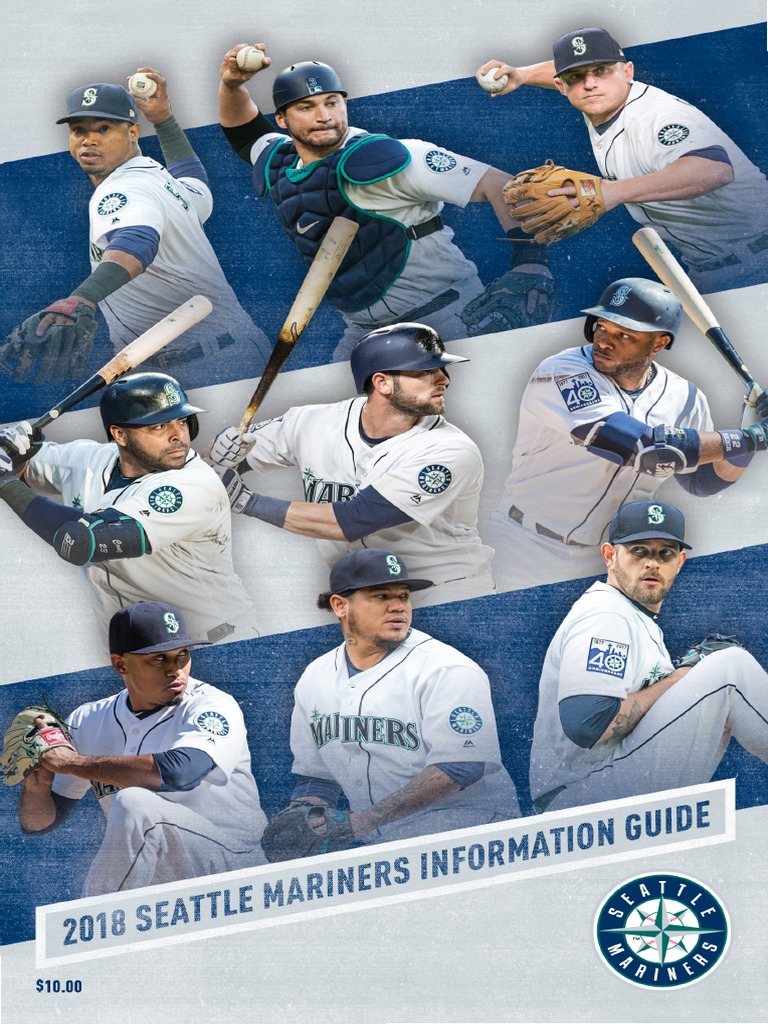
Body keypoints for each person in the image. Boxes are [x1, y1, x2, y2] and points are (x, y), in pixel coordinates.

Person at [217, 44, 556, 359]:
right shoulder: (280, 160)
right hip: (362, 332)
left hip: (445, 315)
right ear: (282, 120)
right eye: (307, 107)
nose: (324, 116)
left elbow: (499, 184)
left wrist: (530, 260)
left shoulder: (391, 156)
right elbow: (244, 131)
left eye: (332, 102)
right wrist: (232, 87)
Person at [483, 277, 764, 591]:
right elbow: (645, 450)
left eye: (624, 335)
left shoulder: (686, 397)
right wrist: (756, 437)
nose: (604, 341)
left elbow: (703, 481)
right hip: (525, 544)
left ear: (659, 343)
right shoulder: (562, 371)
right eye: (602, 326)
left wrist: (748, 433)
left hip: (611, 559)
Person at [0, 74, 270, 386]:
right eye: (79, 130)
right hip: (223, 350)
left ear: (133, 132)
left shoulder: (124, 188)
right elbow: (198, 189)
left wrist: (82, 299)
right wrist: (164, 120)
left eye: (103, 129)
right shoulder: (156, 174)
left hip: (201, 366)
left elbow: (137, 243)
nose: (89, 139)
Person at [207, 322, 495, 606]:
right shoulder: (311, 422)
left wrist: (246, 501)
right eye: (425, 371)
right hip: (365, 598)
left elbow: (355, 519)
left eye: (442, 369)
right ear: (381, 382)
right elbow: (217, 462)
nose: (444, 379)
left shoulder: (450, 450)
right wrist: (222, 454)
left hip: (447, 590)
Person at [477, 27, 768, 291]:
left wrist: (607, 192)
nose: (590, 83)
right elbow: (572, 70)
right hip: (711, 268)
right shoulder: (600, 99)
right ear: (561, 87)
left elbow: (714, 170)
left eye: (602, 70)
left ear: (628, 72)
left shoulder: (657, 117)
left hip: (759, 258)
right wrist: (523, 75)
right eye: (576, 78)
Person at [528, 500, 768, 812]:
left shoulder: (632, 616)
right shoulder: (606, 614)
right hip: (579, 795)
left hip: (596, 785)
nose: (652, 563)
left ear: (679, 562)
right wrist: (684, 676)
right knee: (731, 669)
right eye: (639, 550)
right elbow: (588, 725)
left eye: (664, 553)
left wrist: (684, 676)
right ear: (610, 556)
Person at [16, 601, 267, 896]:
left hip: (233, 864)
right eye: (159, 658)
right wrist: (37, 789)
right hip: (158, 877)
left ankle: (97, 928)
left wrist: (71, 763)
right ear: (121, 664)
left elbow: (180, 772)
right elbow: (41, 824)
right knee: (135, 806)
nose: (176, 670)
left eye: (182, 655)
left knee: (135, 804)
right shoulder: (88, 720)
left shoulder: (212, 704)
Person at [0, 372, 260, 645]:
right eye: (159, 426)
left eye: (182, 421)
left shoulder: (195, 486)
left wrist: (6, 484)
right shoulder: (88, 459)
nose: (178, 436)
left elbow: (79, 541)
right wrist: (15, 450)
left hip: (215, 642)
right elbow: (24, 467)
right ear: (119, 434)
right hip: (137, 652)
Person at [282, 549, 519, 846]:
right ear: (340, 606)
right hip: (384, 847)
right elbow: (317, 777)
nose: (398, 607)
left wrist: (364, 820)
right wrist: (305, 811)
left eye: (404, 596)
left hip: (475, 836)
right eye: (381, 597)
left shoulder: (446, 668)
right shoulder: (313, 678)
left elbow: (461, 766)